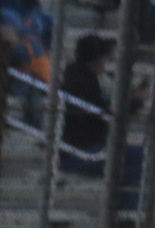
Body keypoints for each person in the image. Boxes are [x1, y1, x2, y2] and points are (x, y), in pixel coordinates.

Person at [60, 35, 145, 211]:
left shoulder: (87, 77)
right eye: (105, 58)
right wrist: (133, 101)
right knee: (137, 156)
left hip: (90, 147)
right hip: (78, 153)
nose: (107, 62)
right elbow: (102, 112)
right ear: (96, 59)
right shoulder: (78, 81)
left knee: (133, 161)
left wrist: (132, 99)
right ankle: (128, 216)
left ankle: (129, 213)